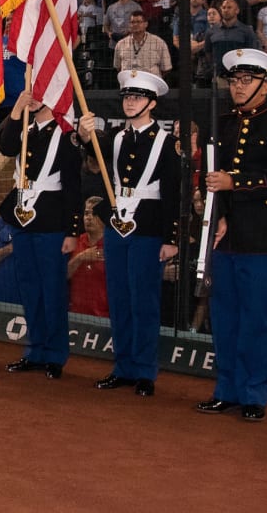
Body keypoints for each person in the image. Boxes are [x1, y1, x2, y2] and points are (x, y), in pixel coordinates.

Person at [196, 49, 267, 422]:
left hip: (263, 237)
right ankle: (226, 389)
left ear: (265, 85)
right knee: (224, 317)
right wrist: (220, 213)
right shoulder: (222, 122)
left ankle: (255, 394)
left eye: (246, 81)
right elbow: (209, 176)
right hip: (227, 235)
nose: (238, 87)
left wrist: (234, 182)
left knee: (256, 319)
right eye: (234, 80)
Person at [75, 69, 183, 396]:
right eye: (126, 96)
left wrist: (171, 238)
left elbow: (173, 193)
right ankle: (122, 366)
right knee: (119, 299)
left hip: (149, 228)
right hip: (118, 227)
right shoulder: (118, 137)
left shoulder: (167, 143)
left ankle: (145, 372)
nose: (130, 102)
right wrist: (83, 134)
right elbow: (94, 153)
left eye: (136, 97)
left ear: (151, 103)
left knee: (144, 301)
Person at [0, 90, 83, 379]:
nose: (33, 96)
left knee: (52, 290)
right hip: (23, 219)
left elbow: (73, 187)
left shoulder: (66, 135)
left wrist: (72, 231)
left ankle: (55, 354)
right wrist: (17, 109)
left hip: (51, 221)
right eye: (31, 91)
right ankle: (35, 349)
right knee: (29, 287)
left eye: (40, 92)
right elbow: (7, 148)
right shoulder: (24, 128)